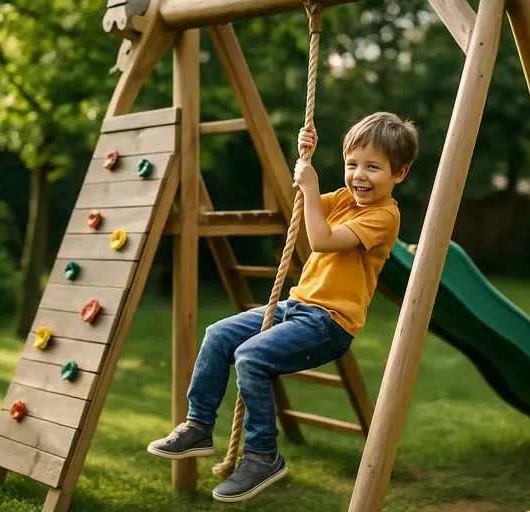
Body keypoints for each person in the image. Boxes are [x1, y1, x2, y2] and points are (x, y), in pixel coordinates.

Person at [147, 111, 418, 503]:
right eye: (352, 164)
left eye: (373, 167)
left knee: (251, 358)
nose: (359, 175)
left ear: (399, 174)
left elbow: (321, 239)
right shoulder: (344, 198)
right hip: (298, 307)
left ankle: (263, 455)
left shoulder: (382, 216)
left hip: (329, 323)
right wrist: (304, 160)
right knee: (218, 335)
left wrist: (311, 189)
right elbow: (298, 206)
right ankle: (199, 425)